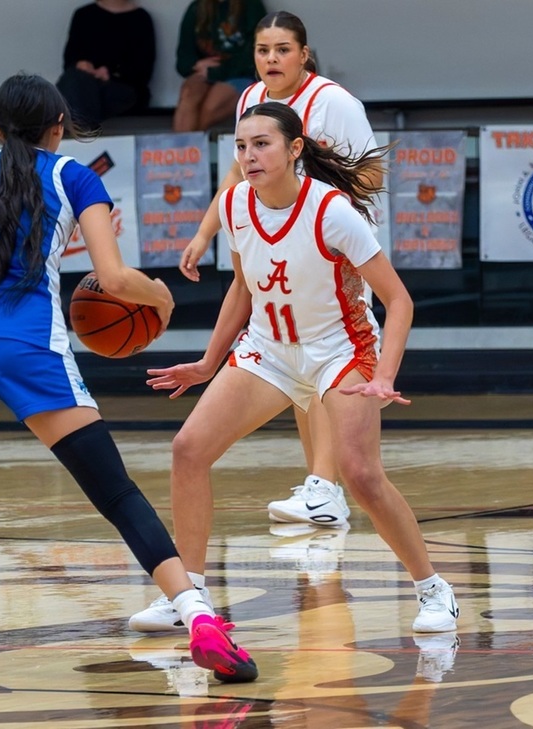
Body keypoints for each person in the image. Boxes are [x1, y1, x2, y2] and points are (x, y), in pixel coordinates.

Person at [0, 72, 257, 685]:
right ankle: (198, 617)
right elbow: (115, 282)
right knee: (114, 491)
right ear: (59, 128)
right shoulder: (73, 176)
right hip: (25, 346)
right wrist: (162, 298)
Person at [129, 101, 459, 637]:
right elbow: (242, 286)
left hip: (340, 351)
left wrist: (384, 376)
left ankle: (434, 590)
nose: (249, 155)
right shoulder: (235, 203)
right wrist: (210, 363)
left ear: (294, 149)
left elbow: (399, 301)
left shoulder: (331, 210)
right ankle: (187, 594)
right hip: (270, 350)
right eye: (241, 146)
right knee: (188, 450)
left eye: (261, 144)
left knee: (361, 475)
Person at [179, 10, 385, 528]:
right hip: (274, 230)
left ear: (304, 54)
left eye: (282, 50)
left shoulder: (333, 102)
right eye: (263, 50)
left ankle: (326, 485)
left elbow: (373, 171)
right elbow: (235, 172)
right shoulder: (251, 100)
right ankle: (322, 485)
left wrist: (309, 195)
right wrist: (205, 232)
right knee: (292, 345)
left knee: (322, 346)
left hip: (328, 239)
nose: (271, 59)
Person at [56, 1, 155, 130]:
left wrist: (109, 73)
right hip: (84, 83)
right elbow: (70, 59)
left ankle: (81, 139)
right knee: (77, 83)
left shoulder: (141, 18)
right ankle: (85, 138)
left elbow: (143, 70)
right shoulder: (84, 15)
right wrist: (83, 65)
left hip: (122, 89)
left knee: (76, 92)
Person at [173, 0, 267, 132]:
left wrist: (215, 72)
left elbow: (253, 57)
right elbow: (182, 62)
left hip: (240, 74)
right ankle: (185, 148)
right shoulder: (196, 8)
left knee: (211, 105)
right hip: (206, 73)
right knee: (189, 94)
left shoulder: (251, 6)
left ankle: (187, 148)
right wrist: (196, 64)